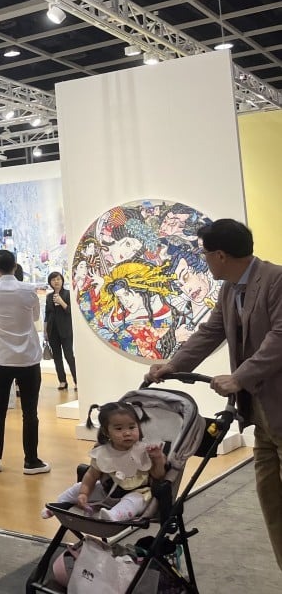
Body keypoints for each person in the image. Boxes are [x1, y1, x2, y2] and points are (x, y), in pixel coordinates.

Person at [148, 219, 282, 570]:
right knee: (272, 502)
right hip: (261, 414)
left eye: (205, 253)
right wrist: (172, 366)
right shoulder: (229, 289)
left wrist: (239, 377)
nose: (204, 260)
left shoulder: (276, 280)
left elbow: (279, 339)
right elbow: (211, 332)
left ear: (220, 255)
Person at [0, 250, 49, 475]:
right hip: (28, 357)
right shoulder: (28, 290)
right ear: (15, 266)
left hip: (0, 357)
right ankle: (31, 460)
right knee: (30, 411)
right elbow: (36, 317)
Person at [42, 402, 166, 521]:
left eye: (132, 427)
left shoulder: (144, 450)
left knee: (134, 501)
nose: (127, 433)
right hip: (107, 491)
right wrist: (84, 493)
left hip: (139, 492)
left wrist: (158, 458)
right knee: (78, 488)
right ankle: (57, 505)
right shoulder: (103, 452)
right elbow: (91, 475)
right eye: (119, 429)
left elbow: (158, 476)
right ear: (106, 432)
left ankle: (114, 516)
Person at [45, 272, 77, 391]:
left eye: (58, 279)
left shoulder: (68, 294)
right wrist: (45, 331)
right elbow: (47, 315)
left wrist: (61, 302)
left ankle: (77, 381)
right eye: (53, 280)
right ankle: (62, 381)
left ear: (62, 280)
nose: (56, 282)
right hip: (52, 331)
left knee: (69, 356)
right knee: (57, 357)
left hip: (66, 330)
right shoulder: (49, 296)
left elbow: (71, 312)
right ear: (50, 282)